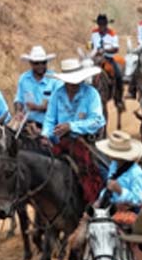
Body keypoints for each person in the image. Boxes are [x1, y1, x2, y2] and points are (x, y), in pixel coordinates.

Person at [42, 58, 106, 203]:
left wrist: (71, 126)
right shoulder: (57, 95)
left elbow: (97, 121)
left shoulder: (91, 94)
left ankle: (102, 204)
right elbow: (50, 119)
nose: (72, 83)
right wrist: (45, 135)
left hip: (86, 142)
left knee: (103, 172)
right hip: (60, 142)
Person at [14, 47, 59, 132]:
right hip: (27, 123)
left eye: (43, 63)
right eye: (36, 63)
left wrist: (38, 108)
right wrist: (18, 111)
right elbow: (19, 99)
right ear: (31, 63)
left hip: (49, 125)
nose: (40, 66)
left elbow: (59, 105)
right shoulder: (24, 78)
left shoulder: (54, 79)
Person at [89, 14, 125, 112]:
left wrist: (105, 50)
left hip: (108, 58)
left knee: (118, 74)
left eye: (103, 24)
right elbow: (92, 46)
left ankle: (119, 99)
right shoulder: (94, 33)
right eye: (99, 24)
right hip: (95, 58)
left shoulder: (112, 33)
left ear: (106, 24)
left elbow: (116, 48)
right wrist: (93, 52)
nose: (101, 26)